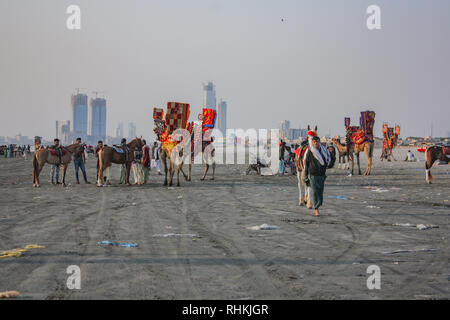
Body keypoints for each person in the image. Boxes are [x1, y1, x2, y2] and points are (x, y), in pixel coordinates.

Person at [304, 135, 332, 216]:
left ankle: (318, 205)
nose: (316, 143)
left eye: (317, 141)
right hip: (313, 175)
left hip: (321, 175)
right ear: (312, 142)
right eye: (314, 142)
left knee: (320, 192)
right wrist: (306, 176)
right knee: (315, 192)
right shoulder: (310, 152)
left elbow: (327, 161)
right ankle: (316, 208)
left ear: (319, 142)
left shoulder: (323, 151)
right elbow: (307, 164)